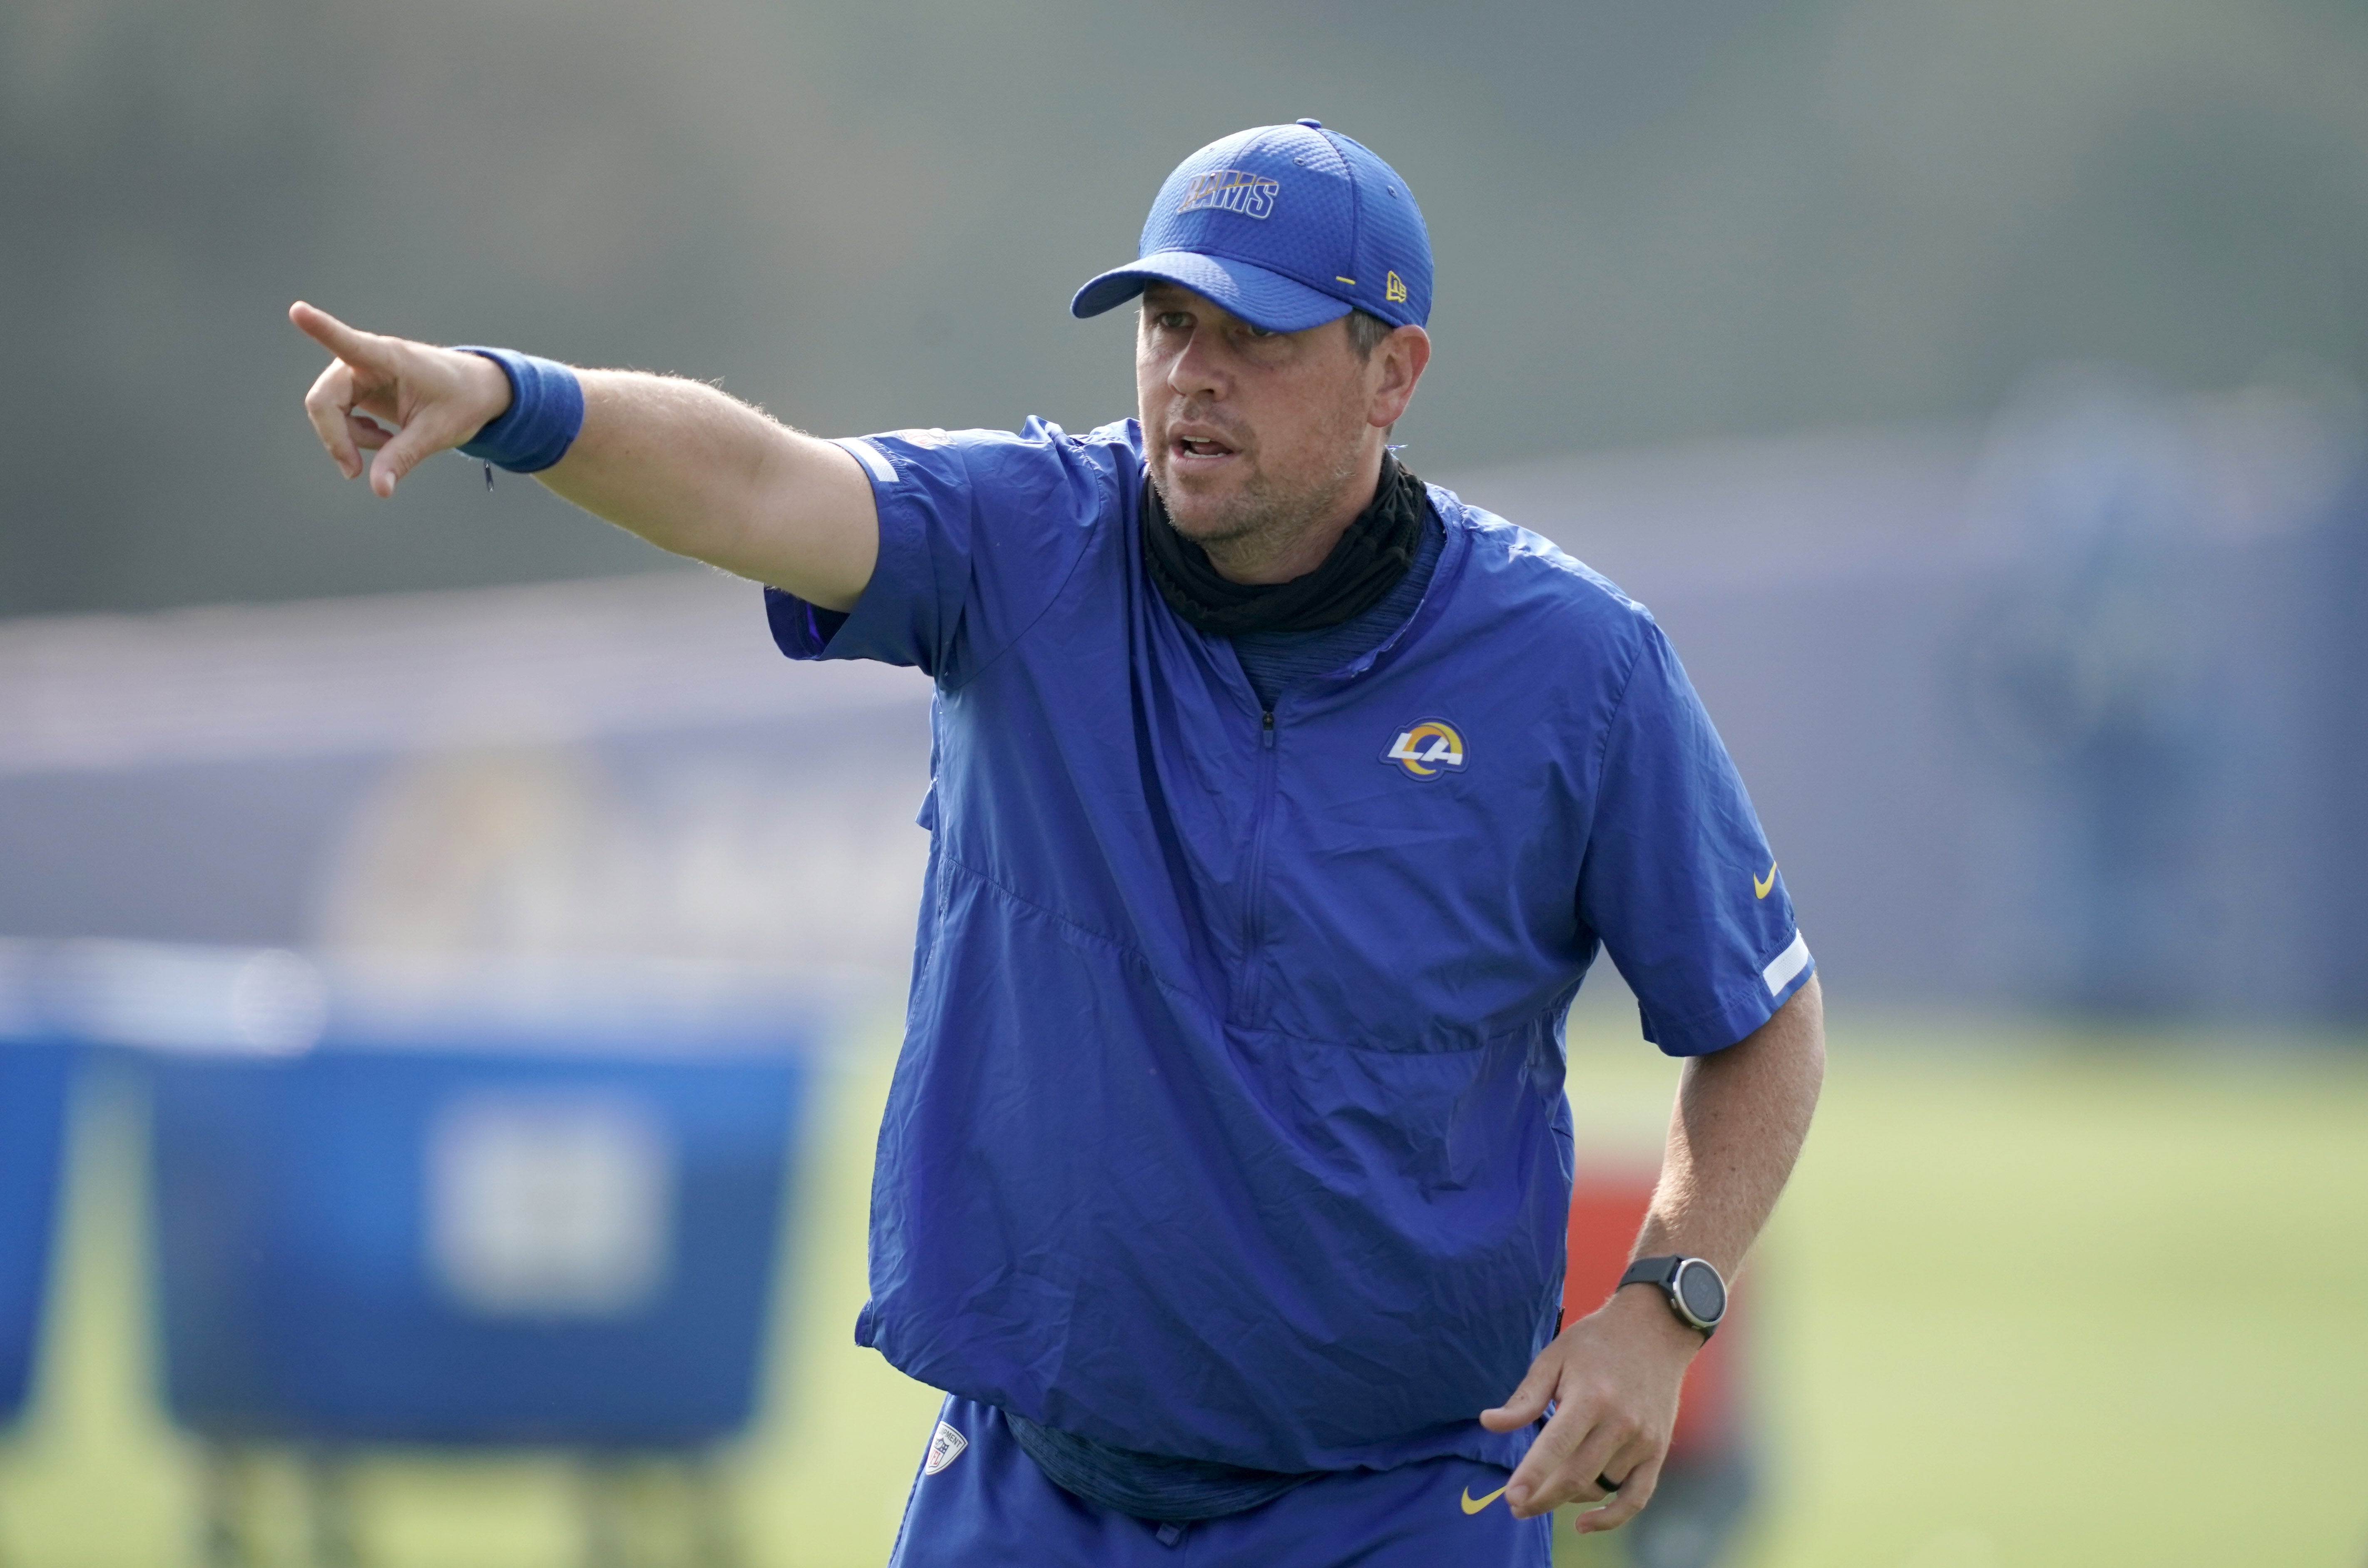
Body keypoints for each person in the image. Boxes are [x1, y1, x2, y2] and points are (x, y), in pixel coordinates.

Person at [292, 119, 1824, 1567]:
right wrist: (509, 398)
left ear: (1392, 375)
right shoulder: (1020, 541)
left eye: (1257, 338)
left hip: (1393, 1503)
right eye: (1167, 327)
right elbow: (756, 482)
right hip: (1033, 1491)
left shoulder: (1575, 669)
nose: (1192, 378)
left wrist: (1666, 1304)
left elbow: (1761, 1022)